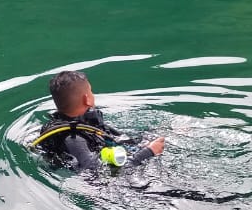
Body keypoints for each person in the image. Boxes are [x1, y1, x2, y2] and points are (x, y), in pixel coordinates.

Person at [30, 71, 165, 172]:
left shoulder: (80, 124)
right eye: (91, 91)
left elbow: (117, 137)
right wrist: (147, 152)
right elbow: (95, 172)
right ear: (87, 99)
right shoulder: (73, 139)